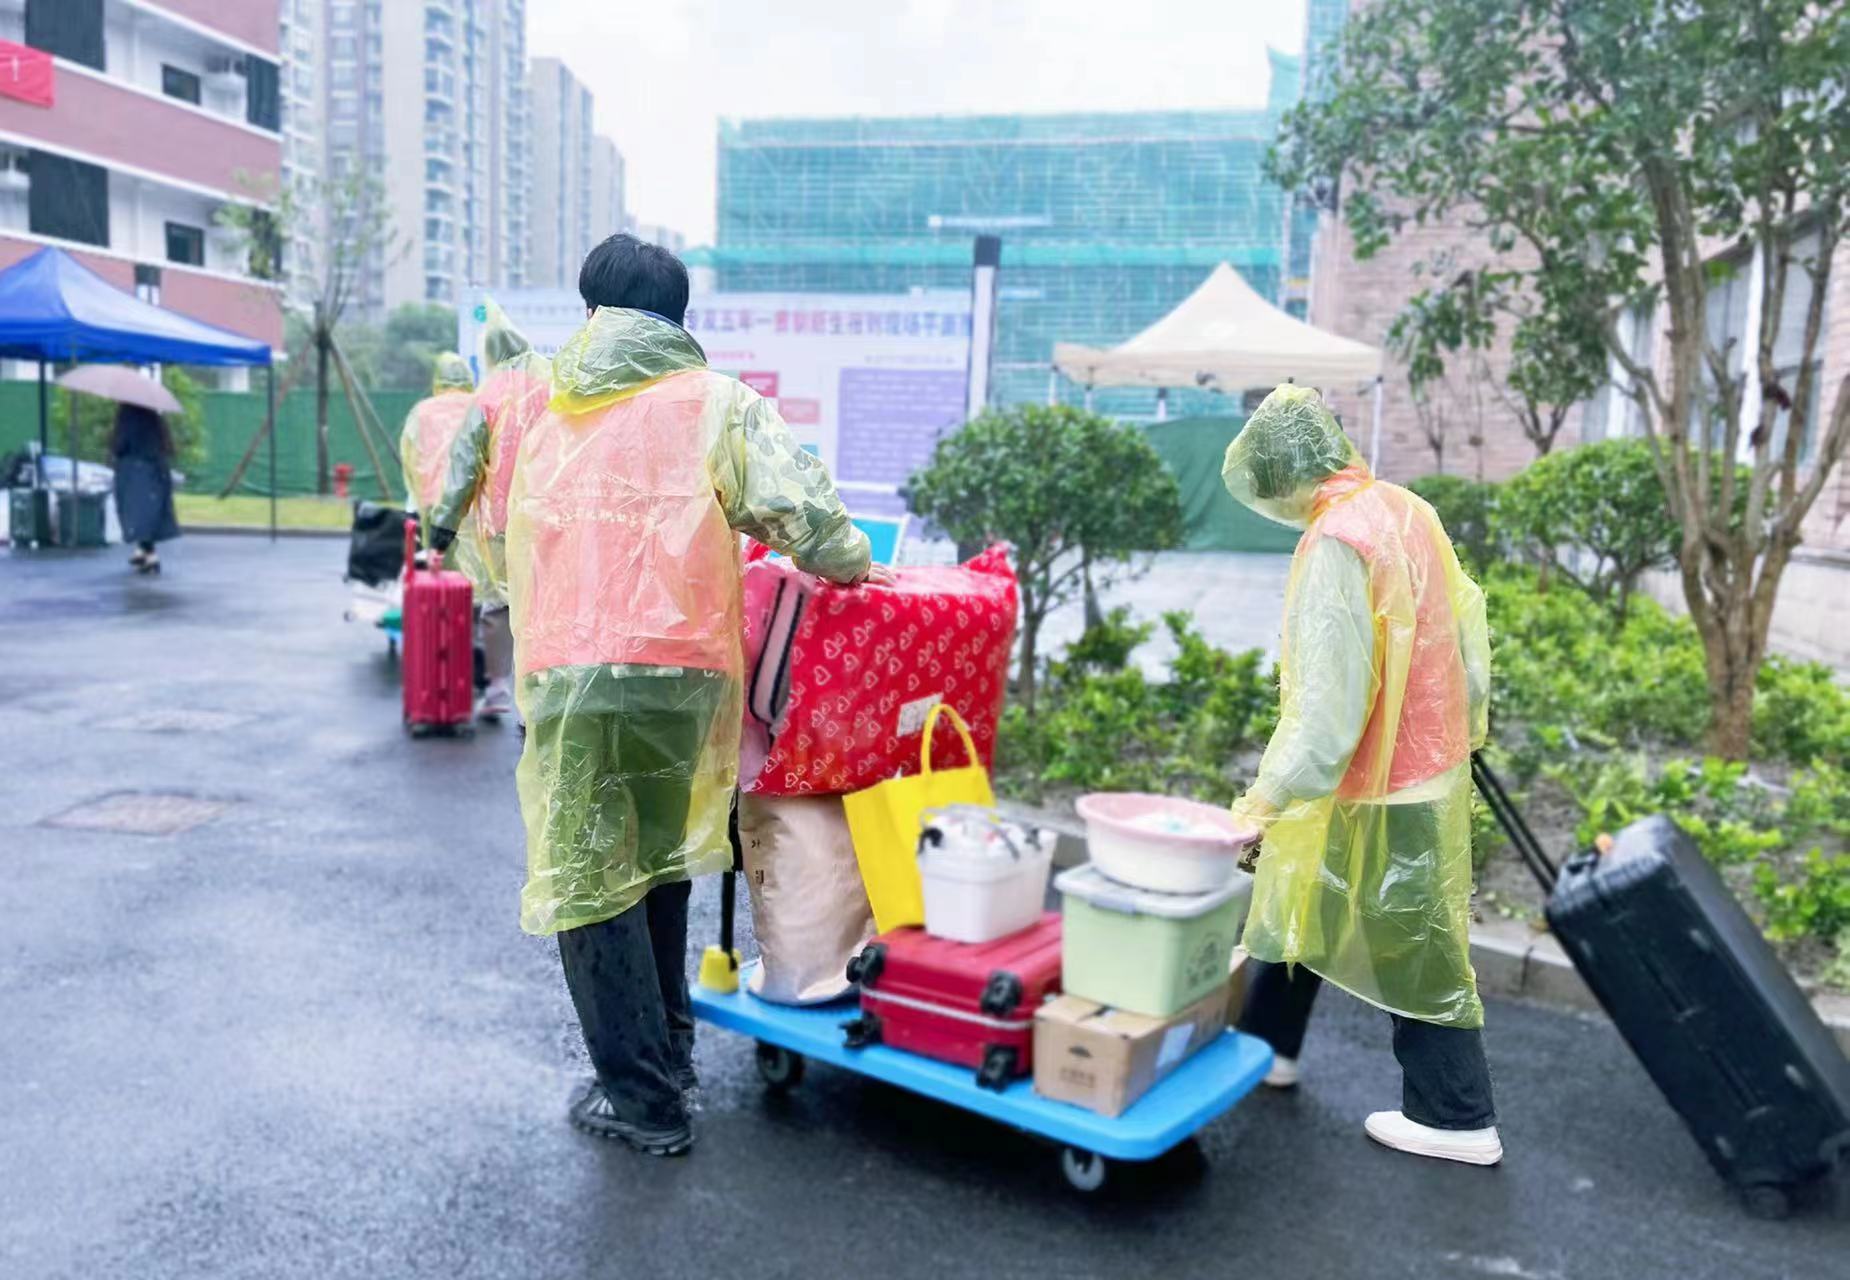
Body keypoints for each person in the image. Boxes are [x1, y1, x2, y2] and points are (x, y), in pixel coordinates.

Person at [504, 233, 889, 1156]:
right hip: (683, 677)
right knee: (658, 860)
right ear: (678, 321)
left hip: (572, 674)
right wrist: (853, 562)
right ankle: (668, 1059)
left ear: (591, 314)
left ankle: (643, 1102)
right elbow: (810, 520)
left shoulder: (550, 411)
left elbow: (511, 545)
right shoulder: (715, 402)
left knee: (591, 886)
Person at [1223, 384, 1498, 1166]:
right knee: (1306, 900)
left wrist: (1265, 800)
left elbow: (1327, 708)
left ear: (1280, 476)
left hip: (1381, 777)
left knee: (1419, 943)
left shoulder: (1335, 540)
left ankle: (1457, 1118)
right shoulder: (1406, 510)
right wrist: (1457, 726)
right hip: (1428, 757)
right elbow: (1468, 631)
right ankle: (1267, 1048)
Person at [427, 303, 552, 720]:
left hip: (502, 522)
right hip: (553, 519)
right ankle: (542, 695)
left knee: (499, 604)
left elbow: (464, 465)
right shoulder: (554, 387)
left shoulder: (489, 396)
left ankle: (498, 687)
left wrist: (444, 524)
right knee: (548, 605)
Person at [397, 352, 477, 540]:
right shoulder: (481, 408)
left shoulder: (421, 412)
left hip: (429, 507)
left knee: (428, 557)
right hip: (471, 510)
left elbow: (409, 459)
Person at [112, 403, 179, 574]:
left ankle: (150, 555)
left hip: (135, 470)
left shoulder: (128, 418)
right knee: (148, 513)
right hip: (157, 469)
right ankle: (142, 551)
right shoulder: (154, 418)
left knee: (136, 512)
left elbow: (121, 445)